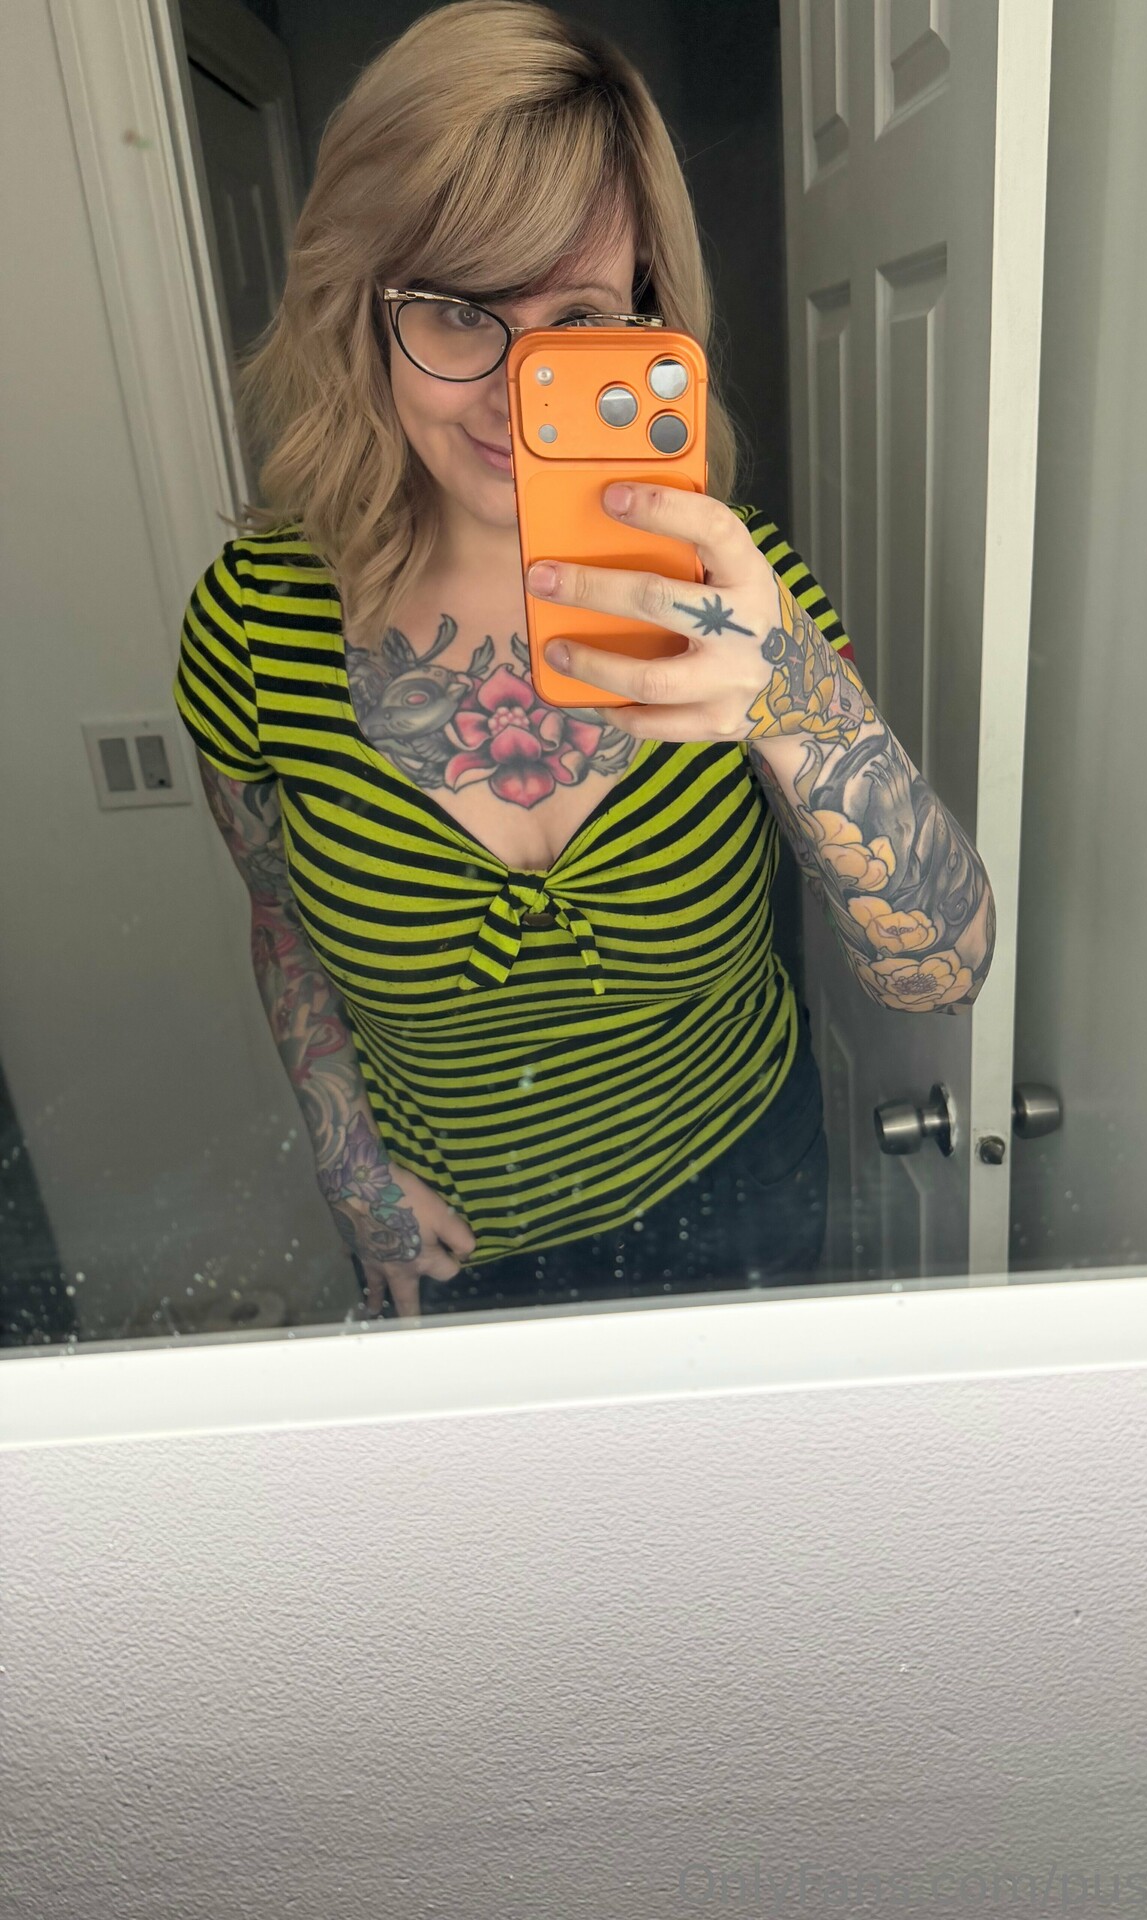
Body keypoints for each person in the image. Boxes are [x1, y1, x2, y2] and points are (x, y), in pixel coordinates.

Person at [173, 0, 995, 1320]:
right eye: (457, 310)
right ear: (361, 308)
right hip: (462, 1249)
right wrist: (351, 1168)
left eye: (580, 318)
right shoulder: (252, 627)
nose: (517, 391)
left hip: (746, 1192)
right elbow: (282, 918)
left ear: (650, 323)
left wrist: (797, 701)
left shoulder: (735, 592)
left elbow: (944, 971)